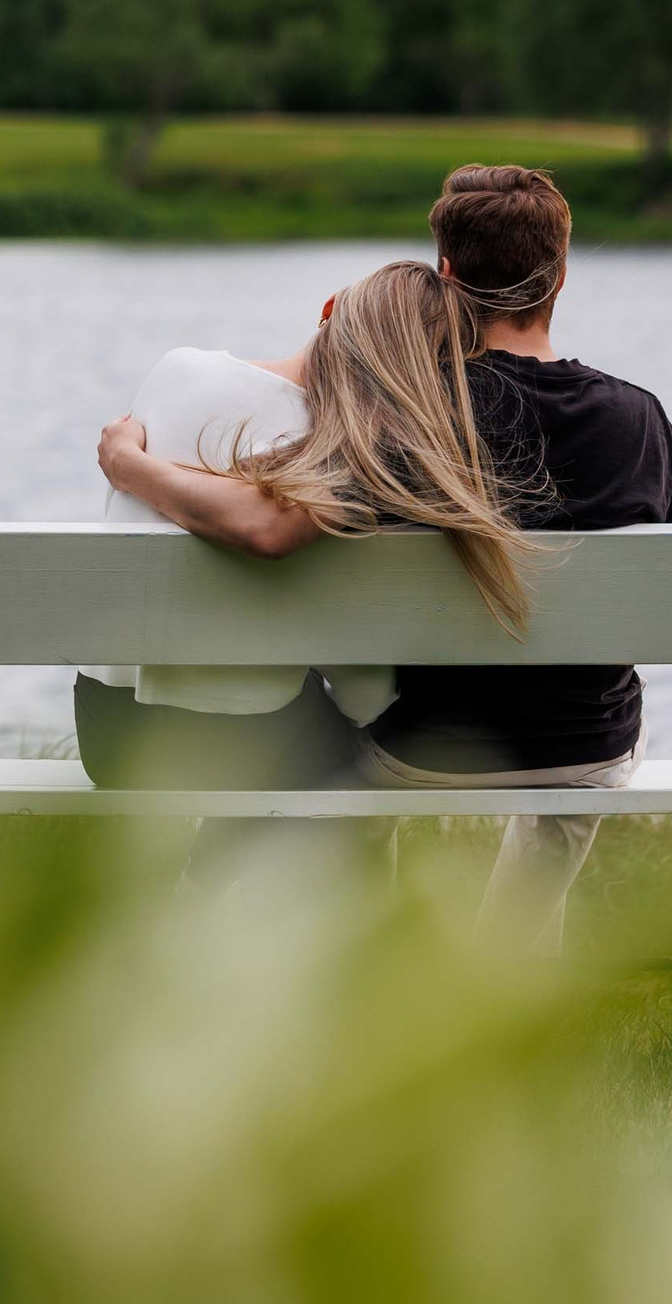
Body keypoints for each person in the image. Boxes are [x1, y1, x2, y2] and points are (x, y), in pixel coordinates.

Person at [96, 166, 672, 951]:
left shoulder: (412, 416)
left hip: (425, 749)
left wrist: (132, 466)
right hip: (591, 745)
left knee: (337, 735)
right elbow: (671, 596)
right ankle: (512, 968)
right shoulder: (639, 418)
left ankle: (373, 968)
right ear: (562, 276)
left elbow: (271, 525)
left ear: (447, 274)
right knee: (590, 741)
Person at [81, 258, 540, 897]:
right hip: (238, 744)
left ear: (329, 309)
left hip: (108, 734)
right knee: (350, 750)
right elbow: (359, 683)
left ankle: (199, 904)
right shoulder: (354, 460)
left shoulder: (178, 368)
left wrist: (126, 463)